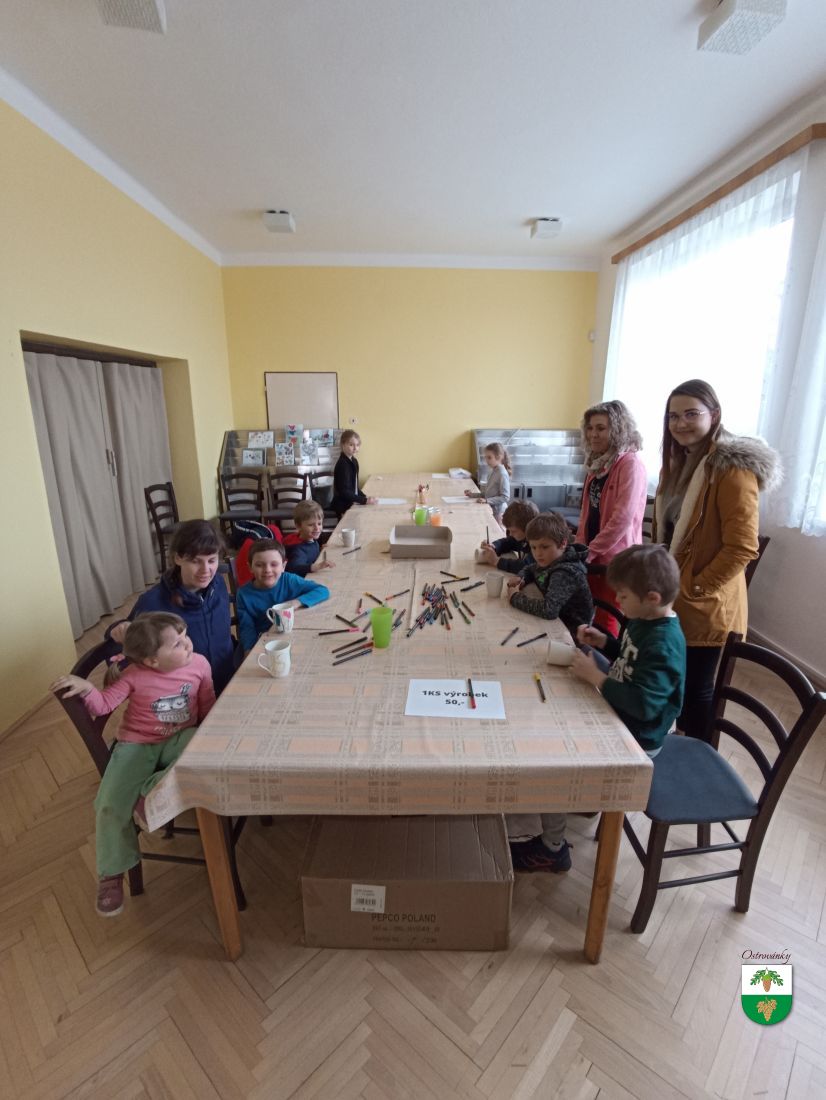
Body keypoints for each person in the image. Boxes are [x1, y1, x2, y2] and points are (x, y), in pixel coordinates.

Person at [509, 545, 686, 873]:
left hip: (638, 737)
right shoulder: (646, 619)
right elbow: (631, 655)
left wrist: (599, 679)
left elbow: (645, 705)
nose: (617, 600)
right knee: (556, 704)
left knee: (558, 755)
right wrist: (606, 643)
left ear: (652, 598)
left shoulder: (664, 644)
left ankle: (552, 848)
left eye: (623, 596)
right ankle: (576, 798)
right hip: (622, 710)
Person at [51, 613, 215, 916]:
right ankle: (112, 873)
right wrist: (86, 688)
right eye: (177, 643)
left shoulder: (200, 664)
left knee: (202, 745)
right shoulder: (134, 675)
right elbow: (103, 705)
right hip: (136, 746)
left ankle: (147, 794)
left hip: (180, 738)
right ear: (152, 660)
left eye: (185, 635)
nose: (188, 644)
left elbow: (207, 707)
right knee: (109, 803)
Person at [653, 379, 779, 741]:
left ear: (715, 414)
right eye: (673, 416)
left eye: (691, 414)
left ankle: (697, 759)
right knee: (676, 682)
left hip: (705, 602)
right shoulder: (678, 463)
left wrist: (696, 587)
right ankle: (675, 748)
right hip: (675, 593)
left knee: (696, 691)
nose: (680, 423)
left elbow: (742, 547)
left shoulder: (731, 468)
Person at [109, 520, 235, 694]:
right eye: (195, 561)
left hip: (229, 682)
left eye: (212, 560)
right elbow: (124, 645)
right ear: (177, 558)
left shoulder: (218, 583)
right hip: (187, 695)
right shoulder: (153, 603)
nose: (206, 570)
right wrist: (118, 629)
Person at [575, 400, 648, 636]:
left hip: (615, 559)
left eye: (601, 428)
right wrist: (579, 547)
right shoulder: (597, 463)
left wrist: (590, 551)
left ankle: (604, 658)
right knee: (587, 609)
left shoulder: (630, 464)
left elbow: (622, 519)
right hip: (593, 553)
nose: (593, 434)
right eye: (590, 428)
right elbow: (587, 513)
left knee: (606, 618)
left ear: (617, 430)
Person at [507, 512, 593, 637]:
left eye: (544, 547)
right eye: (533, 547)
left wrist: (515, 597)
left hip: (572, 634)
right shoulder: (552, 558)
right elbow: (530, 569)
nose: (538, 554)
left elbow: (548, 610)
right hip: (556, 623)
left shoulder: (565, 572)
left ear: (563, 544)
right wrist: (521, 577)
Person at [236, 539, 329, 652]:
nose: (267, 570)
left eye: (274, 564)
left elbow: (322, 590)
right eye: (259, 565)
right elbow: (247, 628)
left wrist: (296, 602)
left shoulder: (289, 580)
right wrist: (248, 649)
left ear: (283, 566)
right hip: (263, 643)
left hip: (292, 636)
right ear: (250, 567)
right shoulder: (243, 594)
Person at [477, 499, 539, 573]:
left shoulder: (538, 544)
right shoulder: (522, 537)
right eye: (509, 530)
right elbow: (507, 542)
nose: (510, 534)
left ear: (527, 529)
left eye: (513, 531)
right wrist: (493, 546)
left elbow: (526, 566)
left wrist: (497, 561)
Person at [330, 430, 377, 517]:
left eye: (357, 445)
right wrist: (364, 500)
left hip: (351, 502)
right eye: (351, 445)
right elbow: (344, 492)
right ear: (343, 445)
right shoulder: (343, 464)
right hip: (343, 506)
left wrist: (365, 497)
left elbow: (354, 487)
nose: (355, 448)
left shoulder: (354, 461)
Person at [283, 500, 335, 577]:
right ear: (298, 526)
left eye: (319, 523)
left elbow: (310, 555)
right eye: (311, 525)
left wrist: (320, 550)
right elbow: (295, 568)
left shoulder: (311, 540)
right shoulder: (298, 549)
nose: (317, 528)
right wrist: (317, 566)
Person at [465, 442, 511, 521]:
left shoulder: (502, 474)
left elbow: (505, 497)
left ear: (499, 457)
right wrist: (472, 495)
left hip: (498, 512)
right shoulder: (492, 471)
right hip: (490, 509)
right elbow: (488, 494)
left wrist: (487, 500)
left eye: (489, 457)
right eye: (485, 457)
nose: (486, 460)